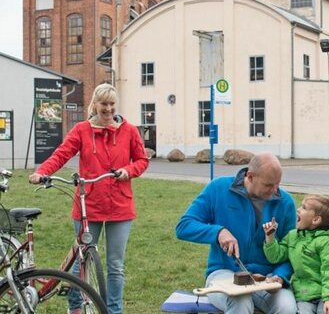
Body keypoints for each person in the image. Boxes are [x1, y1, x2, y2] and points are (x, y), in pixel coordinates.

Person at [29, 83, 149, 314]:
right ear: (95, 104)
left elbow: (142, 160)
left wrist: (129, 171)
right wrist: (43, 172)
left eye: (112, 104)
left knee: (116, 265)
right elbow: (62, 153)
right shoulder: (82, 130)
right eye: (104, 104)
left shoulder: (129, 131)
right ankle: (75, 306)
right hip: (89, 204)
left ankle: (113, 310)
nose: (108, 109)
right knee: (81, 261)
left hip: (120, 205)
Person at [176, 152, 297, 314]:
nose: (275, 190)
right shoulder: (218, 188)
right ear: (250, 176)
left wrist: (279, 277)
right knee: (240, 301)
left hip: (267, 278)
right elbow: (184, 226)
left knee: (287, 308)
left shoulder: (286, 202)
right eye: (268, 185)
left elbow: (292, 250)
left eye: (278, 184)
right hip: (223, 273)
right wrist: (218, 232)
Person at [263, 195, 329, 314]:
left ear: (315, 220)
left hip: (324, 296)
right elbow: (276, 257)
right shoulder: (293, 236)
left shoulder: (325, 242)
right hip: (303, 296)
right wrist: (270, 237)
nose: (298, 209)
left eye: (304, 208)